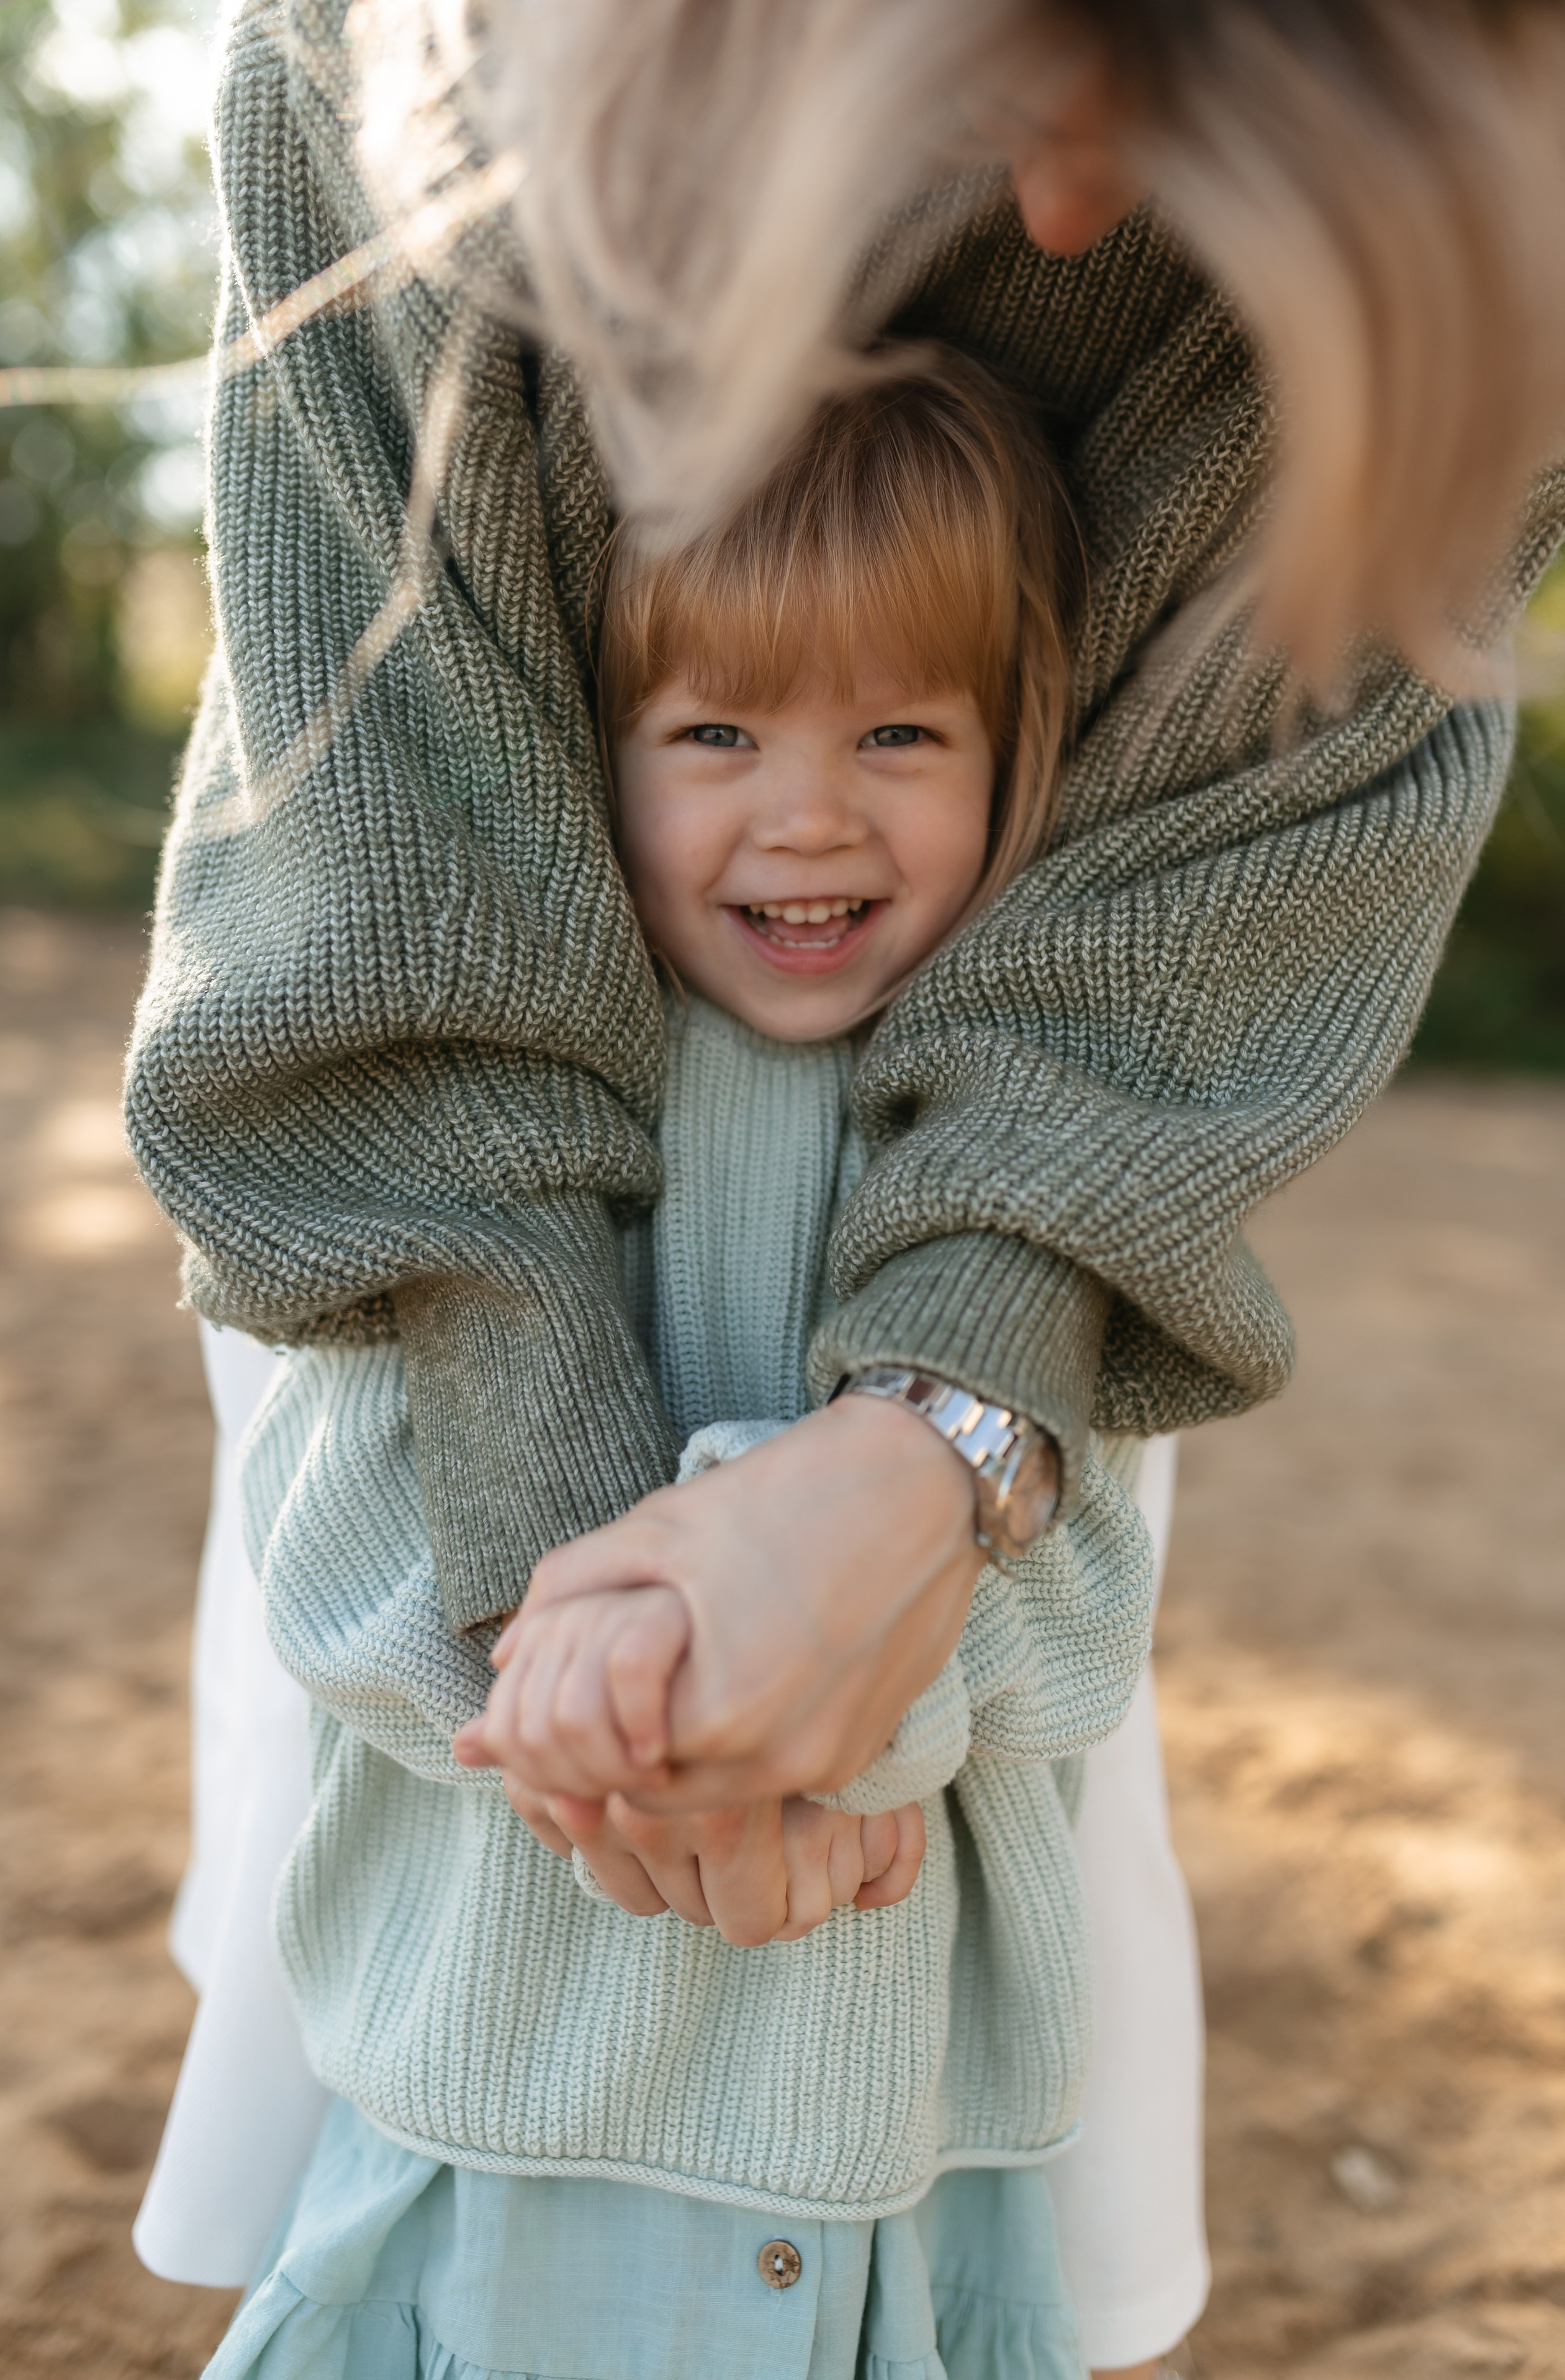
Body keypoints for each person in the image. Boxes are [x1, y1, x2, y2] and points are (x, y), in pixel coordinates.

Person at [124, 0, 1565, 2371]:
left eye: (903, 733)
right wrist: (615, 1678)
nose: (1078, 216)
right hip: (479, 1868)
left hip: (891, 2061)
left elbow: (1065, 1543)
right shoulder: (394, 76)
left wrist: (926, 1499)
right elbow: (394, 1093)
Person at [195, 357, 1158, 2379]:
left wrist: (836, 1693)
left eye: (902, 728)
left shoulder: (1021, 1151)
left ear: (1016, 750)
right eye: (714, 728)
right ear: (582, 753)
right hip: (505, 2113)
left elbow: (1074, 1618)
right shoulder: (505, 1114)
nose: (808, 810)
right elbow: (337, 1551)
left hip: (885, 2157)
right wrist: (686, 1687)